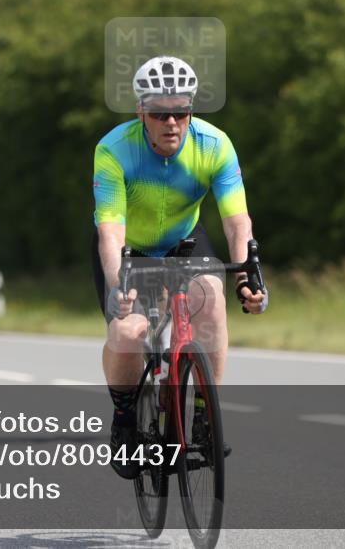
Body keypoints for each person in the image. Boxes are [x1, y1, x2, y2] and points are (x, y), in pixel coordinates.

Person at [92, 56, 268, 478]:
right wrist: (119, 286)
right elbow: (111, 232)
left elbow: (235, 220)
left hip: (184, 242)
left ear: (191, 110)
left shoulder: (214, 145)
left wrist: (246, 274)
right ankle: (123, 418)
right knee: (129, 330)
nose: (171, 122)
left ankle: (206, 417)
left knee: (211, 303)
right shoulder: (114, 149)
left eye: (180, 111)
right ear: (141, 113)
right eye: (159, 113)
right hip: (129, 249)